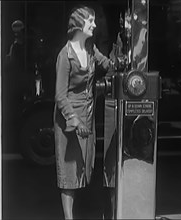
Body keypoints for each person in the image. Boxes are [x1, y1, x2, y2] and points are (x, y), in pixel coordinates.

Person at [53, 5, 114, 219]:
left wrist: (116, 59)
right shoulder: (65, 56)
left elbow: (106, 64)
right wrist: (74, 119)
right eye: (91, 21)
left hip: (87, 114)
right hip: (70, 120)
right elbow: (60, 95)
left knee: (83, 168)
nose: (94, 25)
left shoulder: (90, 49)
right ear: (79, 24)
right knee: (69, 173)